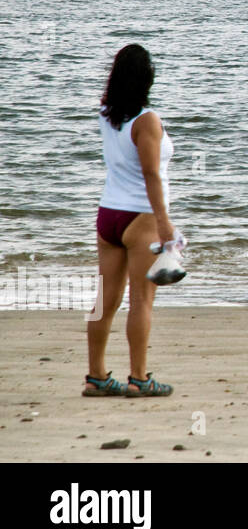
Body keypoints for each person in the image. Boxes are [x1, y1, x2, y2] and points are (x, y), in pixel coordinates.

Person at [84, 43, 175, 397]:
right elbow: (151, 174)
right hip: (141, 217)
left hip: (109, 215)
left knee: (105, 300)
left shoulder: (107, 113)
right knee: (141, 300)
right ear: (146, 80)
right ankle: (139, 379)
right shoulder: (147, 120)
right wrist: (165, 223)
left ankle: (96, 377)